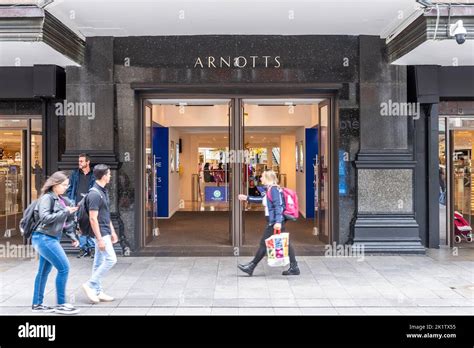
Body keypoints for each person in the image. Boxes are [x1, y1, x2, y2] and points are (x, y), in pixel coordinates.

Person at [31, 171, 80, 314]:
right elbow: (45, 218)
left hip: (49, 238)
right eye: (64, 185)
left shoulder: (60, 199)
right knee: (64, 268)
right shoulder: (47, 198)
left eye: (67, 185)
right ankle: (61, 304)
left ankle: (37, 304)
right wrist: (66, 211)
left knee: (43, 272)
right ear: (55, 184)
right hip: (44, 238)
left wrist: (72, 237)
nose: (66, 187)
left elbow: (63, 223)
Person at [237, 170, 300, 276]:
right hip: (276, 221)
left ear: (267, 178)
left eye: (262, 177)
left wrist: (278, 222)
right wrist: (247, 198)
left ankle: (251, 266)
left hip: (275, 222)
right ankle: (294, 267)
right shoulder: (271, 189)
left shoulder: (274, 189)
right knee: (286, 243)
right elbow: (263, 200)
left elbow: (278, 206)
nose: (260, 178)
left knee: (263, 244)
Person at [82, 164, 118, 304]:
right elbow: (93, 218)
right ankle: (90, 284)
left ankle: (97, 291)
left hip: (105, 231)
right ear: (103, 176)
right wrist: (100, 239)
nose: (110, 176)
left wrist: (112, 231)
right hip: (100, 233)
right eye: (109, 174)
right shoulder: (95, 194)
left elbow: (105, 214)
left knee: (98, 262)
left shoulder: (102, 191)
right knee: (111, 259)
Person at [66, 153, 96, 258]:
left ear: (88, 162)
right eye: (79, 161)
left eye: (82, 161)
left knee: (91, 226)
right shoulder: (75, 174)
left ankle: (92, 248)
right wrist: (71, 200)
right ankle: (83, 248)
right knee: (80, 227)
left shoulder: (94, 174)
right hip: (78, 204)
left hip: (90, 203)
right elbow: (70, 188)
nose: (79, 163)